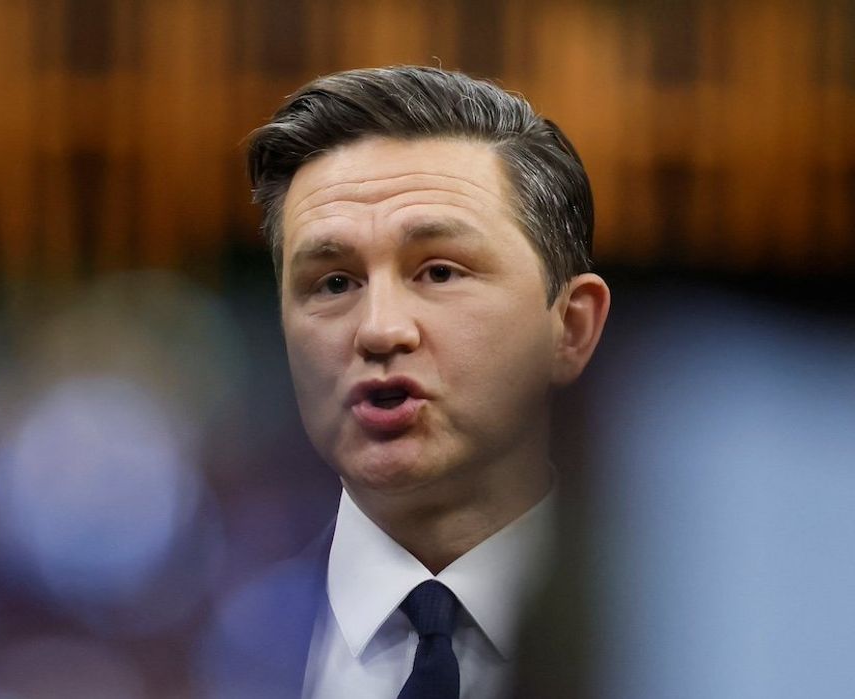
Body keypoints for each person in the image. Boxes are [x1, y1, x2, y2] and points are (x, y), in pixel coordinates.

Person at [200, 65, 610, 699]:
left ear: (571, 327)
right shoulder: (196, 644)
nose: (380, 330)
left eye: (440, 272)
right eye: (333, 282)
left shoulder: (701, 634)